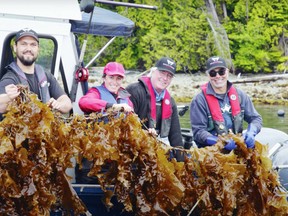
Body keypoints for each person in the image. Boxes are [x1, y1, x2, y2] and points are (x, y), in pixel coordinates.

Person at [77, 61, 133, 184]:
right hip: (94, 158)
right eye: (111, 77)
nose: (114, 81)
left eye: (118, 78)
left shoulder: (126, 98)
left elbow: (134, 124)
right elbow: (83, 102)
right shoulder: (95, 92)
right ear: (104, 78)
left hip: (115, 159)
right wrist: (111, 106)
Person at [190, 56, 262, 150]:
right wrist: (218, 141)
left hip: (237, 148)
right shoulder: (199, 100)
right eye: (213, 73)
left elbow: (256, 118)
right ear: (208, 75)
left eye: (221, 72)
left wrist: (251, 131)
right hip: (211, 153)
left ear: (227, 72)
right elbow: (198, 132)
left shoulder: (240, 95)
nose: (218, 76)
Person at [0, 28, 72, 114]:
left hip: (44, 126)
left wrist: (59, 104)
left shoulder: (46, 76)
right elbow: (1, 106)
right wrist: (8, 97)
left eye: (33, 45)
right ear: (15, 48)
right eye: (24, 44)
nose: (28, 49)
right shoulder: (10, 78)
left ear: (38, 49)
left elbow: (67, 103)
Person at [126, 57, 184, 150]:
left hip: (155, 148)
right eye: (162, 73)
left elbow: (175, 136)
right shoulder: (134, 91)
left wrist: (181, 161)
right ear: (153, 71)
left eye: (169, 76)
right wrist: (144, 135)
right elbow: (126, 126)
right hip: (134, 147)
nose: (165, 78)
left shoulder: (171, 102)